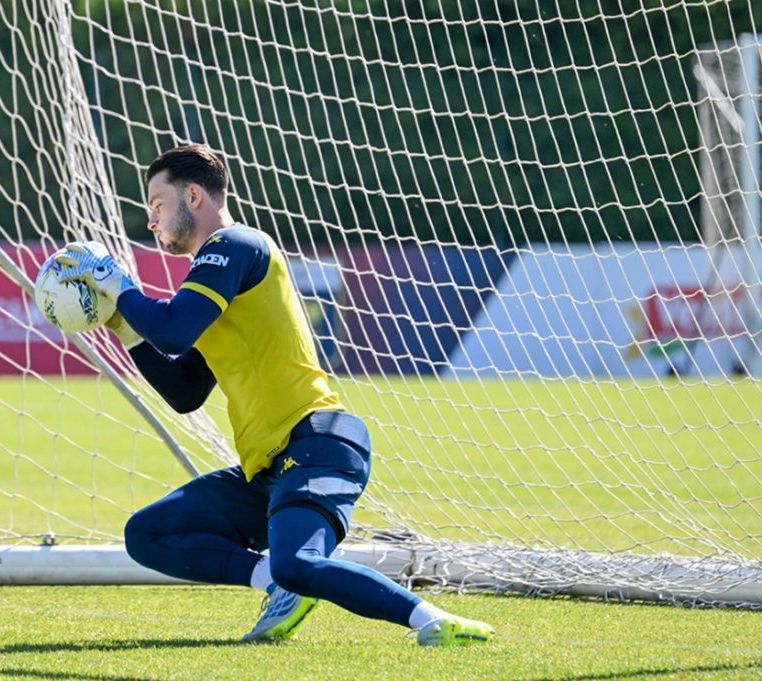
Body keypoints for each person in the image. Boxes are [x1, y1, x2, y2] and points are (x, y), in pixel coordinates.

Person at [54, 144, 494, 646]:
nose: (152, 221)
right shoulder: (213, 280)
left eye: (157, 204)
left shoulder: (236, 244)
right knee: (148, 534)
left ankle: (434, 620)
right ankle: (276, 583)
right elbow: (184, 391)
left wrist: (116, 284)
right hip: (267, 468)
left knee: (299, 564)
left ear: (193, 196)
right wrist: (121, 323)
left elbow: (172, 331)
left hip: (316, 444)